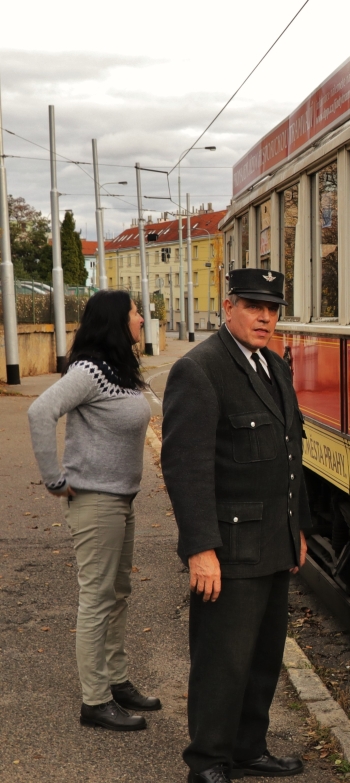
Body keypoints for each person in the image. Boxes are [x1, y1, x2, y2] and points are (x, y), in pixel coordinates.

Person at [161, 269, 310, 783]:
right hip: (228, 549)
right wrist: (200, 548)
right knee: (222, 662)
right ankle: (207, 761)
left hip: (273, 540)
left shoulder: (273, 366)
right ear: (229, 307)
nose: (265, 317)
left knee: (263, 657)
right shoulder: (200, 369)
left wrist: (300, 529)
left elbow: (292, 453)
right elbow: (185, 468)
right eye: (253, 306)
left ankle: (248, 748)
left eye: (272, 308)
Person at [27, 289, 160, 731]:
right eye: (136, 313)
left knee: (117, 594)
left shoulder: (119, 371)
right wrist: (54, 479)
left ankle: (116, 681)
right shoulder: (87, 372)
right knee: (96, 599)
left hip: (123, 500)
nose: (142, 319)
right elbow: (39, 411)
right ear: (116, 322)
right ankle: (95, 700)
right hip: (96, 502)